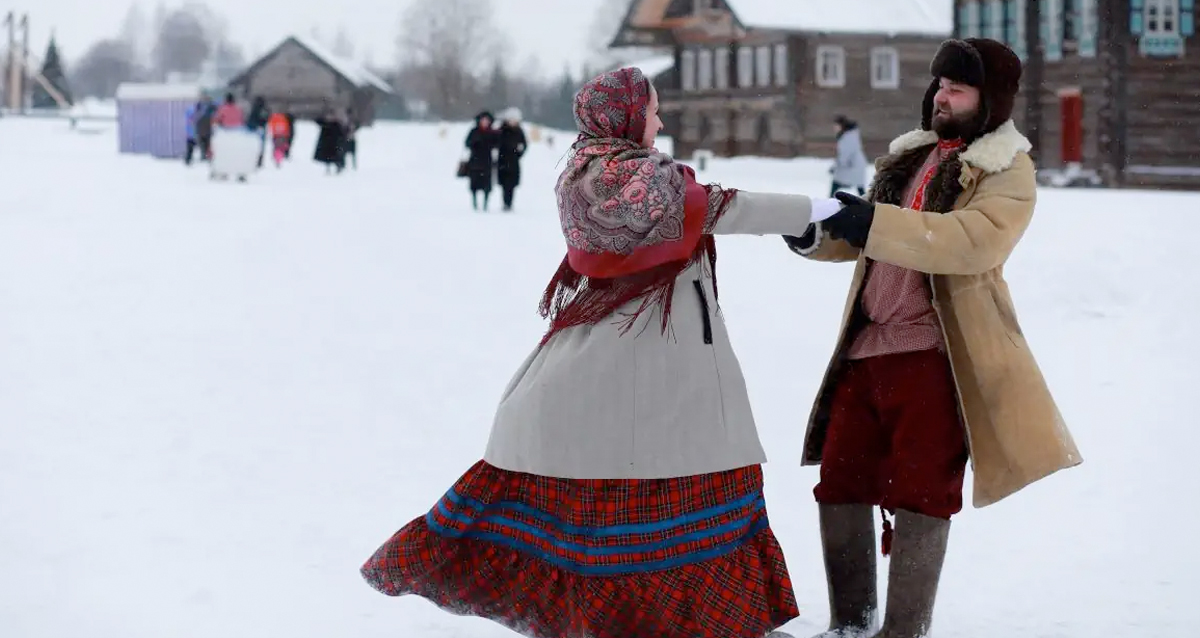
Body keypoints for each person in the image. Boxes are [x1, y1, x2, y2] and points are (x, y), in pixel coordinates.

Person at [360, 67, 845, 638]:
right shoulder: (625, 179)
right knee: (662, 485)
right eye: (653, 110)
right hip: (648, 360)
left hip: (638, 351)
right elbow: (718, 207)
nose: (659, 121)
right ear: (626, 116)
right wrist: (821, 210)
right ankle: (671, 620)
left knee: (632, 491)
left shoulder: (590, 170)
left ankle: (653, 617)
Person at [783, 38, 1083, 638]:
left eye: (959, 89)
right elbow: (868, 236)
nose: (942, 97)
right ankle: (850, 625)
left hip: (937, 355)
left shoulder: (1006, 169)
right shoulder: (911, 157)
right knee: (840, 482)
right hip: (866, 351)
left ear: (990, 100)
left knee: (922, 493)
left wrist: (872, 221)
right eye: (940, 85)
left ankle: (902, 632)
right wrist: (816, 233)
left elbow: (971, 241)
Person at [464, 111, 497, 210]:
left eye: (487, 120)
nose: (485, 122)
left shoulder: (492, 132)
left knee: (486, 183)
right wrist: (475, 143)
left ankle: (485, 204)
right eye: (483, 120)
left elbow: (497, 144)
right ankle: (474, 202)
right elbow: (467, 143)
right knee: (474, 183)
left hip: (487, 161)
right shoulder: (474, 131)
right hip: (475, 160)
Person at [495, 107, 527, 211]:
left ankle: (509, 203)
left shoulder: (519, 131)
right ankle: (505, 202)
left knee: (512, 184)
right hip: (503, 160)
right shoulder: (501, 130)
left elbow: (524, 144)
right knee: (504, 184)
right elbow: (496, 143)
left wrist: (519, 153)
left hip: (514, 161)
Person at [830, 115, 868, 196]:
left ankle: (829, 202)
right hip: (854, 165)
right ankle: (866, 203)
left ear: (841, 125)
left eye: (836, 125)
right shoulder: (849, 135)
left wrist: (837, 165)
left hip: (852, 165)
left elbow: (845, 153)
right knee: (859, 186)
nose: (834, 128)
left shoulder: (848, 137)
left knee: (836, 183)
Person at [313, 107, 347, 174]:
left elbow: (342, 134)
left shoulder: (336, 124)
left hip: (334, 143)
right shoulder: (327, 124)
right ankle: (329, 168)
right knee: (329, 156)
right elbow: (318, 121)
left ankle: (337, 167)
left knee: (335, 156)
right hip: (328, 143)